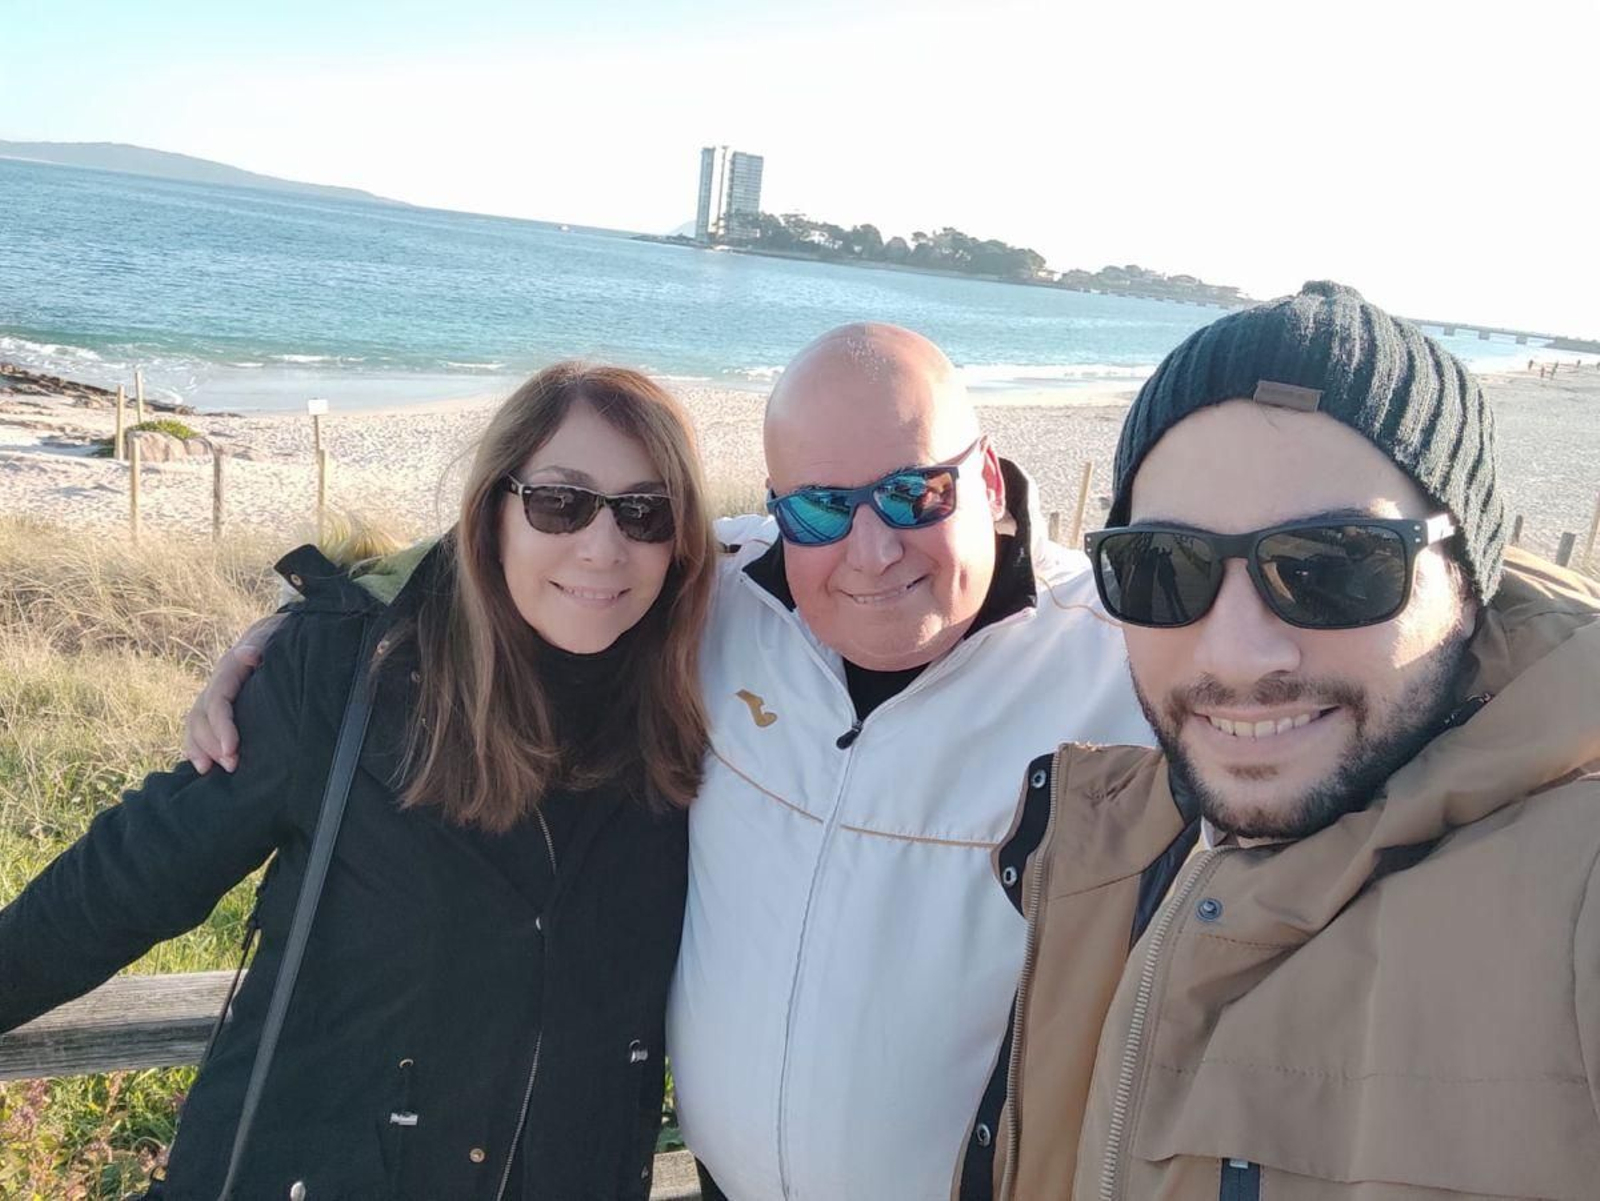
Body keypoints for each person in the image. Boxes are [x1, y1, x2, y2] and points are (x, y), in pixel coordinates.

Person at [183, 324, 1166, 1201]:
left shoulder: (1125, 658)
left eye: (916, 492)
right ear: (778, 509)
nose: (871, 548)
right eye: (822, 508)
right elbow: (545, 538)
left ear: (988, 480)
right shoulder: (726, 587)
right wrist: (326, 611)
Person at [0, 362, 718, 1200]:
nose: (603, 546)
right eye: (560, 503)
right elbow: (134, 874)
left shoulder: (705, 701)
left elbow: (827, 559)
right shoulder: (350, 673)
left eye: (646, 511)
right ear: (494, 508)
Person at [952, 282, 1600, 1200]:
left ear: (1467, 574)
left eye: (1332, 566)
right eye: (1164, 568)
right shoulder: (1123, 843)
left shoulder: (1573, 883)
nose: (1239, 652)